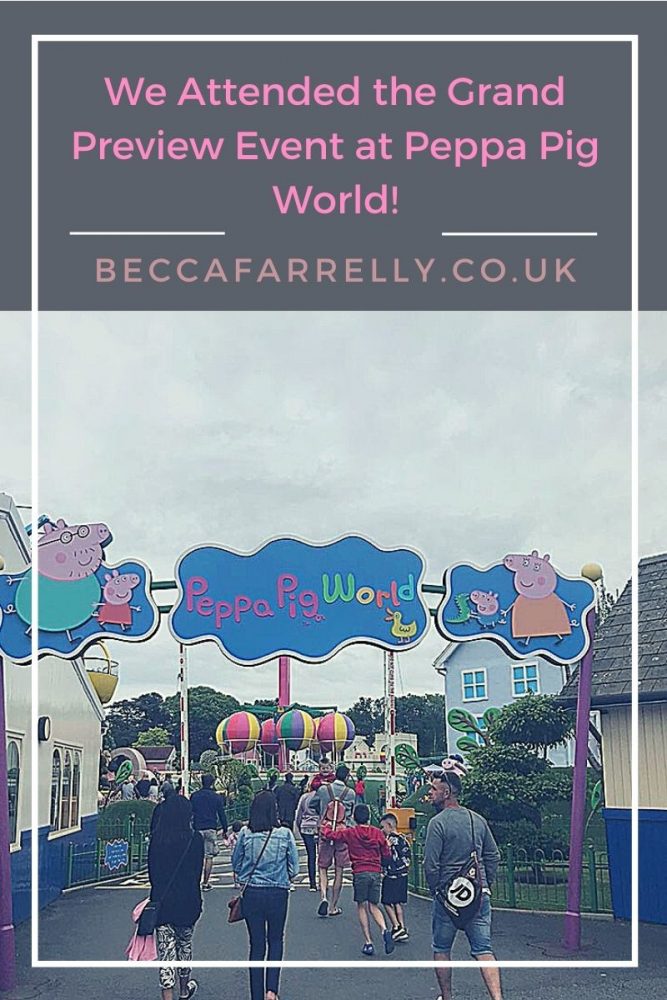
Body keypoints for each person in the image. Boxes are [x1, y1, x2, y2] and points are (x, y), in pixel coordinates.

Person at [424, 767, 503, 1000]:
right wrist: (485, 883)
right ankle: (497, 997)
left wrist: (435, 890)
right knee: (483, 949)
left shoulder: (437, 823)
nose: (430, 793)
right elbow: (493, 855)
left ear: (446, 792)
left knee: (442, 949)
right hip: (477, 895)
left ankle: (447, 996)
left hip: (447, 897)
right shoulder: (477, 820)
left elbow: (430, 864)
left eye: (434, 789)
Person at [232, 790, 299, 1000]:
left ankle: (256, 994)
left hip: (252, 892)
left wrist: (245, 876)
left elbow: (236, 863)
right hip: (278, 892)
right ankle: (271, 990)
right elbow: (294, 868)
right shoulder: (284, 834)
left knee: (256, 944)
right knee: (276, 940)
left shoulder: (245, 833)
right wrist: (283, 877)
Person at [147, 792, 204, 1000]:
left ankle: (167, 995)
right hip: (188, 903)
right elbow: (197, 873)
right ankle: (184, 989)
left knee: (166, 952)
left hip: (162, 903)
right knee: (184, 945)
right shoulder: (195, 839)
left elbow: (152, 874)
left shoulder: (157, 840)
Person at [321, 803, 394, 956]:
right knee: (373, 905)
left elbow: (333, 836)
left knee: (361, 906)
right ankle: (384, 929)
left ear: (354, 817)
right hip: (375, 872)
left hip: (359, 872)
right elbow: (386, 853)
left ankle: (368, 942)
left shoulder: (351, 833)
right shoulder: (377, 833)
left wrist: (325, 828)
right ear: (369, 817)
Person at [315, 763, 355, 917]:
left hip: (326, 832)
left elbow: (313, 804)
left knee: (322, 867)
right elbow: (351, 814)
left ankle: (323, 896)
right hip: (342, 833)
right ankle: (333, 906)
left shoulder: (323, 790)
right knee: (339, 869)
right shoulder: (350, 793)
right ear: (346, 777)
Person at [190, 773, 228, 891]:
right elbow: (221, 814)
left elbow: (190, 812)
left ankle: (195, 881)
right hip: (210, 828)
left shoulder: (195, 796)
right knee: (209, 856)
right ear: (212, 783)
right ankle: (205, 883)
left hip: (197, 829)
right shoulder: (216, 797)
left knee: (196, 857)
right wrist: (225, 829)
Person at [380, 812, 411, 942]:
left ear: (389, 825)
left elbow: (386, 857)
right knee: (397, 901)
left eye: (383, 827)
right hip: (403, 874)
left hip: (392, 874)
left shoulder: (389, 841)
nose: (382, 830)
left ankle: (396, 925)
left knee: (386, 901)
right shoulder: (403, 839)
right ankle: (402, 926)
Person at [294, 780, 320, 891]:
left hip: (306, 826)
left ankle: (312, 883)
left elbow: (298, 814)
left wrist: (299, 826)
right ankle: (322, 881)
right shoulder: (322, 797)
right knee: (321, 856)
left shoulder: (304, 797)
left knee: (311, 855)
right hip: (319, 827)